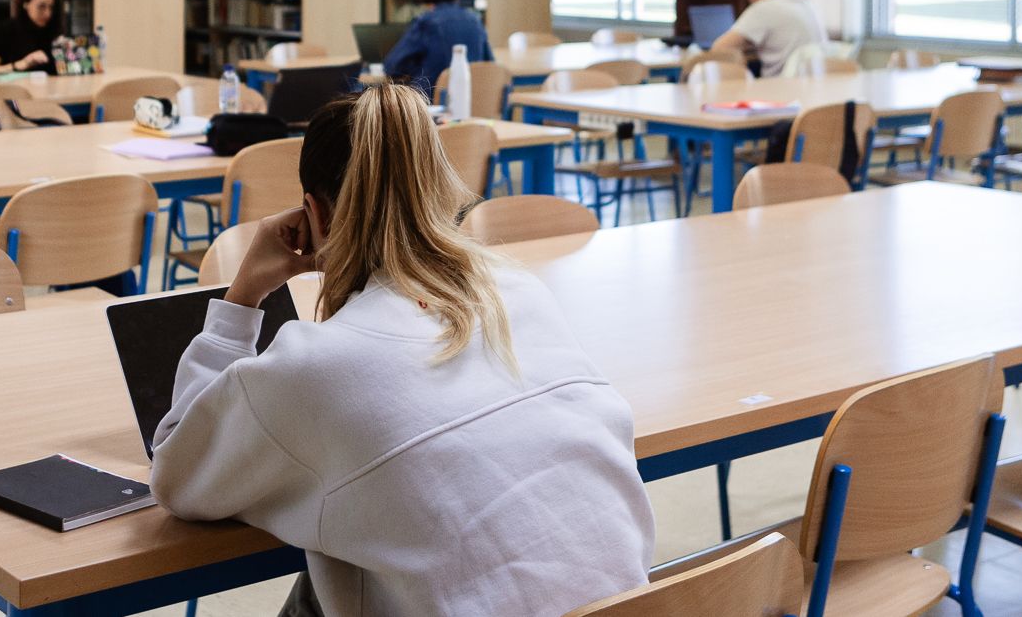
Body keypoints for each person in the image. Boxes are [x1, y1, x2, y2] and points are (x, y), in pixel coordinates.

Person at [151, 82, 654, 617]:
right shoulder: (518, 290)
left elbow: (178, 474)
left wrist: (242, 298)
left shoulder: (316, 365)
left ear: (313, 216)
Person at [381, 0, 492, 95]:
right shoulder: (475, 20)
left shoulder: (427, 22)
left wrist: (416, 69)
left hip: (432, 104)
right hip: (471, 104)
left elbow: (392, 65)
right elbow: (489, 64)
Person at [710, 0, 825, 78]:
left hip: (781, 87)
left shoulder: (763, 6)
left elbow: (719, 48)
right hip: (817, 82)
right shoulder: (804, 2)